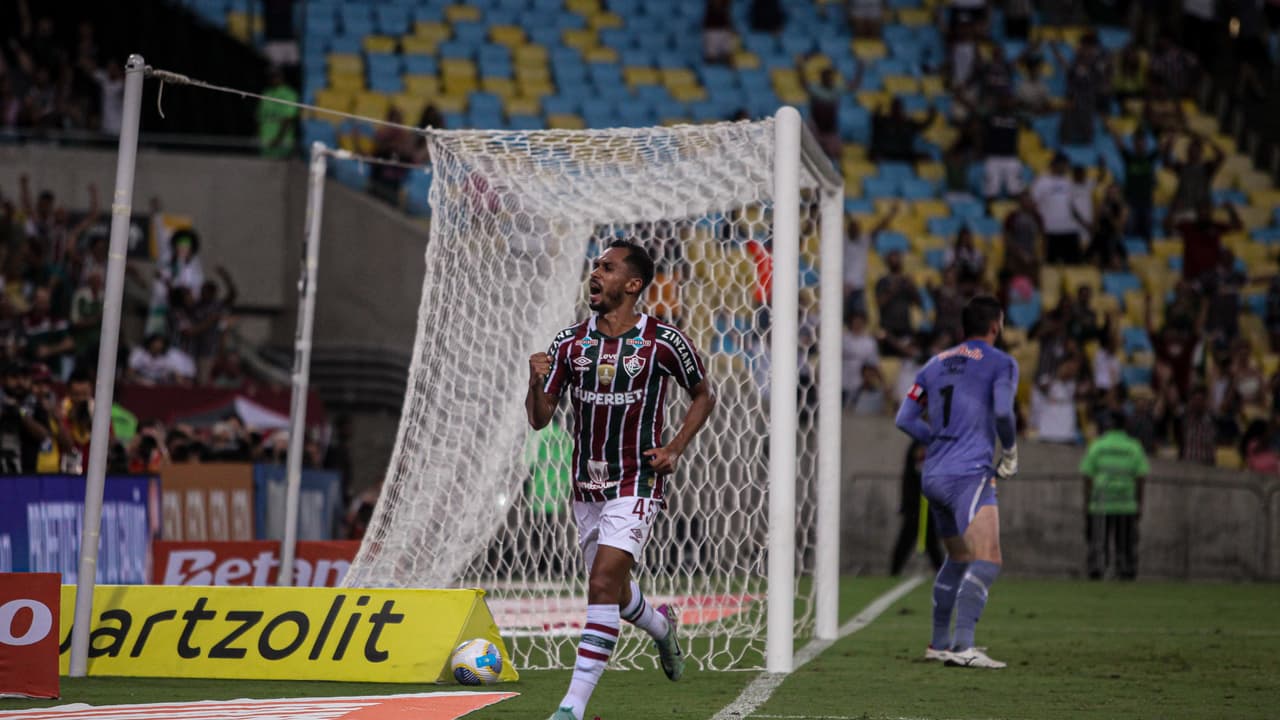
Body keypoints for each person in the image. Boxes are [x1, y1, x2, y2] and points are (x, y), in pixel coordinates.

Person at [527, 241, 716, 720]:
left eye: (607, 268)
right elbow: (539, 418)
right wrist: (536, 381)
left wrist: (674, 448)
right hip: (586, 484)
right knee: (614, 587)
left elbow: (703, 396)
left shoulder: (664, 341)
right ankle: (660, 627)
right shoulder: (568, 344)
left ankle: (571, 707)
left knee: (602, 581)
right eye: (596, 266)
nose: (596, 273)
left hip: (638, 480)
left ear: (633, 285)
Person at [894, 296, 1019, 669]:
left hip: (933, 476)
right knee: (988, 558)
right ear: (996, 325)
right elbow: (1002, 411)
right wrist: (1010, 452)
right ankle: (964, 645)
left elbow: (904, 418)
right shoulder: (1001, 362)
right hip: (969, 474)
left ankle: (938, 642)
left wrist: (935, 439)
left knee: (959, 557)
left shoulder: (935, 363)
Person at [1080, 411, 1148, 580]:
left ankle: (1097, 569)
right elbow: (1140, 477)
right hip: (1126, 503)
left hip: (1101, 503)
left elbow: (1087, 475)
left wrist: (1087, 501)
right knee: (1125, 544)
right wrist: (1139, 503)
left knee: (1099, 542)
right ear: (1126, 426)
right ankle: (1125, 570)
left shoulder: (1097, 445)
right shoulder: (1134, 447)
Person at [890, 440, 945, 575]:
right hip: (915, 505)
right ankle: (894, 572)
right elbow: (913, 472)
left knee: (931, 544)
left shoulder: (933, 444)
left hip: (929, 505)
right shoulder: (919, 445)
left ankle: (943, 574)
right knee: (907, 541)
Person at [257, 66, 298, 159]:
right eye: (271, 76)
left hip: (283, 143)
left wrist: (278, 140)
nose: (274, 78)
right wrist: (259, 137)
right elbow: (260, 117)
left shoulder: (289, 94)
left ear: (282, 76)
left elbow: (288, 119)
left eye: (276, 76)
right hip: (265, 142)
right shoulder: (266, 93)